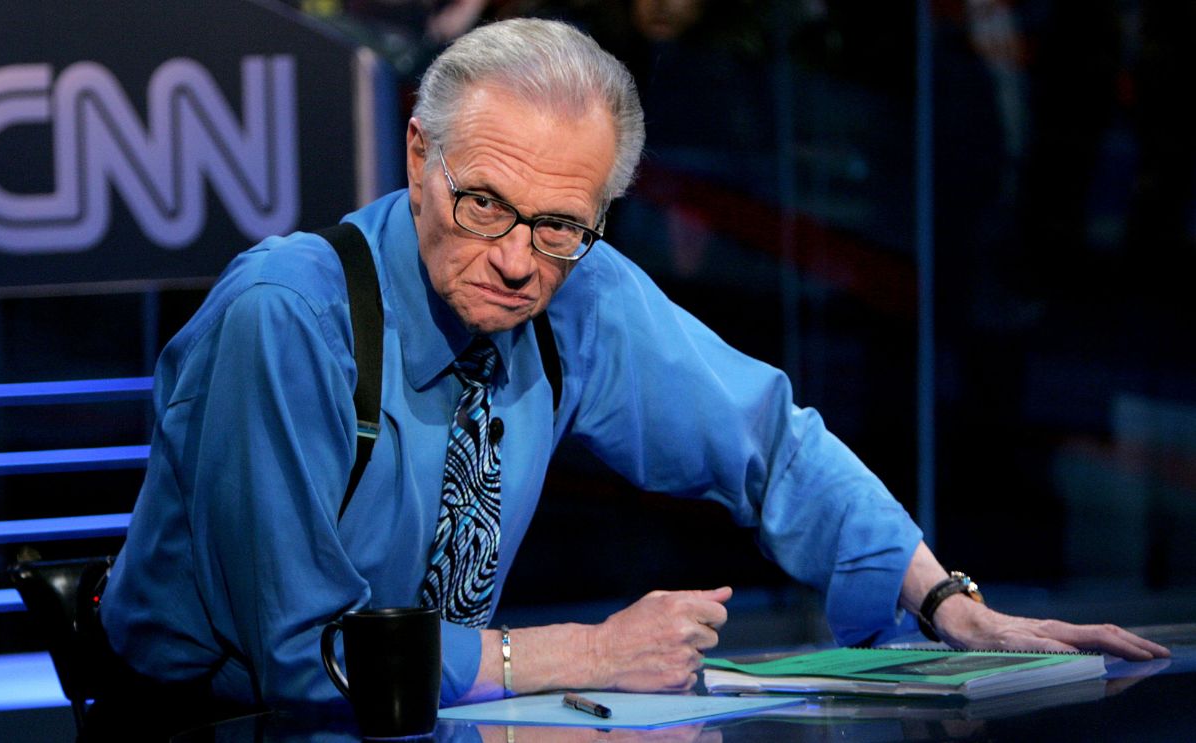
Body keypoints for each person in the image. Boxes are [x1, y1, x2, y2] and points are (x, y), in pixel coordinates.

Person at [98, 17, 1167, 719]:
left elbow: (771, 443)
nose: (517, 259)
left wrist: (944, 599)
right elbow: (305, 658)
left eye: (560, 224)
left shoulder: (581, 287)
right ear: (419, 159)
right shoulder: (283, 315)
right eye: (483, 206)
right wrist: (583, 651)